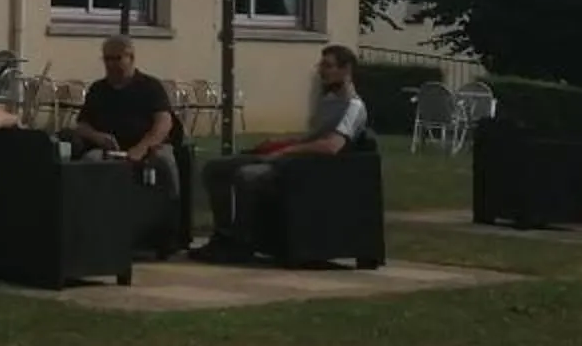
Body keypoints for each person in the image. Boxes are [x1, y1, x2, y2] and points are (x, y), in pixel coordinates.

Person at [199, 43, 370, 256]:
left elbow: (331, 145)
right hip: (293, 156)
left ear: (346, 70)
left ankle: (242, 241)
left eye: (328, 66)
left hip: (308, 166)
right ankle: (224, 234)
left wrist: (287, 150)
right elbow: (314, 136)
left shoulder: (353, 107)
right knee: (215, 168)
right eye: (321, 65)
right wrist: (282, 141)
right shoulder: (328, 100)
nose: (321, 70)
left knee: (247, 175)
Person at [66, 36, 178, 196]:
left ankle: (172, 211)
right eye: (107, 59)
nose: (111, 64)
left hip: (148, 148)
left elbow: (164, 123)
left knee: (164, 162)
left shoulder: (150, 86)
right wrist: (97, 137)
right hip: (109, 150)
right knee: (90, 162)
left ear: (131, 58)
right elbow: (82, 125)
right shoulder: (98, 89)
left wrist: (141, 148)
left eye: (117, 59)